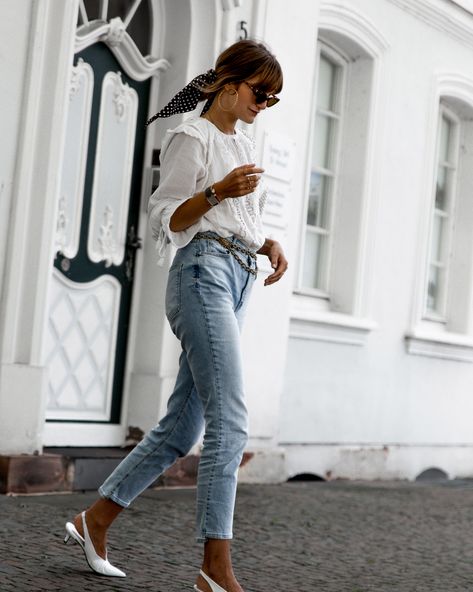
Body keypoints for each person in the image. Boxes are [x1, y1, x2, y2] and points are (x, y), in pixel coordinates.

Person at [64, 38, 287, 592]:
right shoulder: (192, 135)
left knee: (180, 430)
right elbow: (168, 215)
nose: (265, 102)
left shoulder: (244, 141)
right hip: (201, 276)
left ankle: (94, 522)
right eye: (261, 92)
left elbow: (237, 221)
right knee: (230, 421)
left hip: (237, 279)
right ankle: (214, 570)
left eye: (274, 97)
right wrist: (216, 191)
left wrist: (266, 244)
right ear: (229, 84)